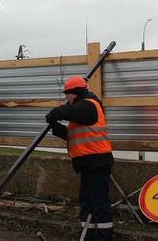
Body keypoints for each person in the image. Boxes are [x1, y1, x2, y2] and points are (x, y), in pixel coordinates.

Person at [45, 76, 114, 241]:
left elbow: (68, 112)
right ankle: (87, 235)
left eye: (67, 94)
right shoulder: (82, 110)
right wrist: (56, 128)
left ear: (74, 93)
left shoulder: (89, 105)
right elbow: (74, 136)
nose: (65, 98)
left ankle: (104, 237)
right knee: (87, 203)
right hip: (89, 164)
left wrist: (54, 113)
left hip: (96, 163)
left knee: (99, 203)